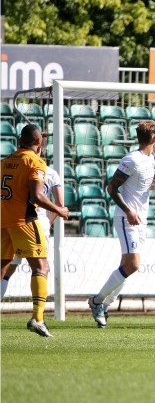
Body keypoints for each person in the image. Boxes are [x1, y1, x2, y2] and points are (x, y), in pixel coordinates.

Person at [87, 120, 155, 328]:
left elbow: (141, 187)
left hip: (141, 219)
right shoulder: (131, 160)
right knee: (133, 264)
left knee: (127, 266)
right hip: (126, 218)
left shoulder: (150, 160)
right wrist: (128, 211)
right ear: (154, 138)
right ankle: (97, 301)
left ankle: (105, 305)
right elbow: (111, 188)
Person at [1, 124, 70, 337]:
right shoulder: (35, 162)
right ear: (38, 142)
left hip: (4, 221)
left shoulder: (5, 162)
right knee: (41, 266)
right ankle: (38, 318)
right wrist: (59, 209)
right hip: (25, 220)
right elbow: (36, 196)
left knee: (3, 269)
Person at [1, 164, 63, 299]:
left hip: (15, 222)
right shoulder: (51, 173)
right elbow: (60, 204)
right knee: (42, 268)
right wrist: (48, 223)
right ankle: (38, 315)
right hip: (37, 223)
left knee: (6, 270)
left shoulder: (17, 169)